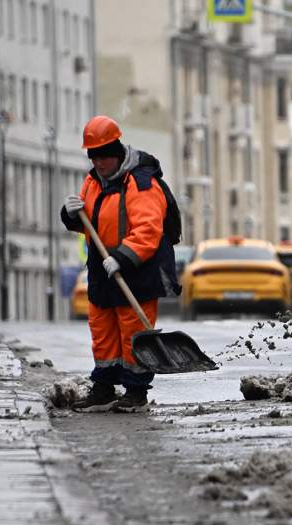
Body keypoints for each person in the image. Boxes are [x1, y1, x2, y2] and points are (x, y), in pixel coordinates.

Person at [61, 115, 180, 412]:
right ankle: (104, 387)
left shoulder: (141, 182)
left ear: (116, 152)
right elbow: (89, 224)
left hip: (138, 269)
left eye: (104, 157)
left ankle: (136, 391)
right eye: (94, 157)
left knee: (133, 332)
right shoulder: (92, 182)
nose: (99, 163)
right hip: (102, 268)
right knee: (102, 330)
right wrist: (71, 215)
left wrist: (122, 258)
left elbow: (148, 230)